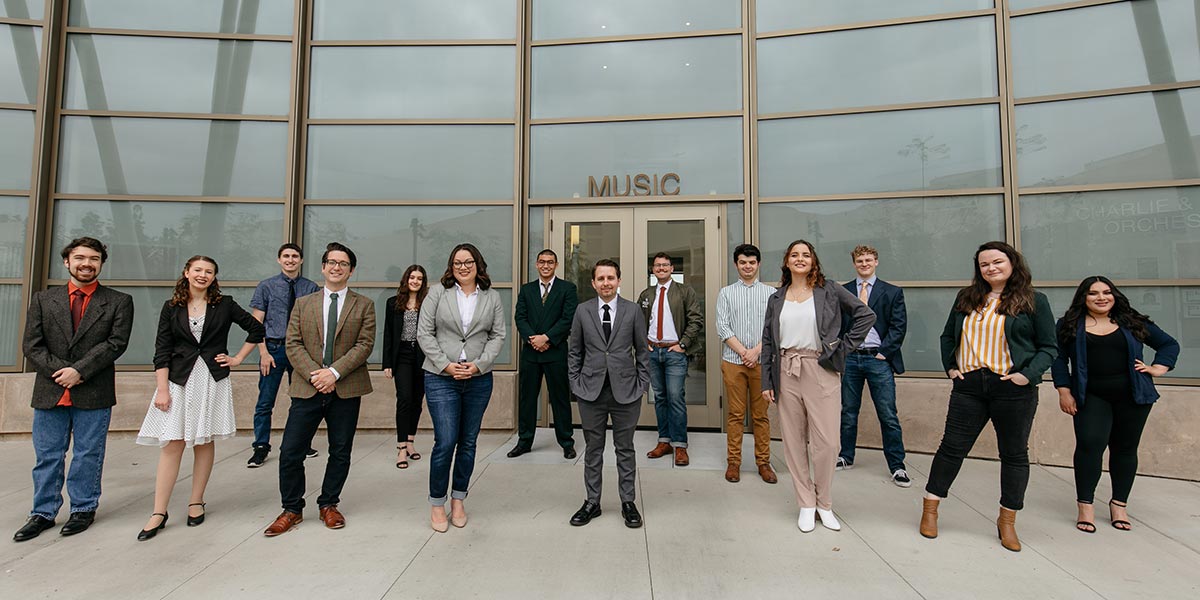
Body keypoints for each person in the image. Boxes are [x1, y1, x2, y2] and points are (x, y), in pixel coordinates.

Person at [920, 241, 1056, 552]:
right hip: (969, 385)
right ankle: (930, 508)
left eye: (997, 262)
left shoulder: (1034, 300)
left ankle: (1007, 520)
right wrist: (951, 368)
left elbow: (1049, 347)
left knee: (1013, 454)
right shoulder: (967, 297)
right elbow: (947, 336)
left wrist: (1026, 375)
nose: (991, 268)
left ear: (1012, 263)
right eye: (984, 264)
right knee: (951, 448)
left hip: (1012, 387)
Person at [136, 255, 265, 541]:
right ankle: (159, 511)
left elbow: (257, 328)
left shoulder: (225, 304)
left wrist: (238, 358)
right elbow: (161, 350)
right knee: (173, 442)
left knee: (204, 440)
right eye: (198, 270)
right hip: (178, 380)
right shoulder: (171, 308)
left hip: (211, 379)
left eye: (209, 272)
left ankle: (196, 501)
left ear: (214, 277)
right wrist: (162, 389)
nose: (202, 275)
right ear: (186, 272)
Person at [15, 237, 134, 542]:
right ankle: (42, 512)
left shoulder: (119, 301)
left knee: (88, 454)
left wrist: (79, 370)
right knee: (48, 456)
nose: (87, 263)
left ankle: (83, 508)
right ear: (67, 262)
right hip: (50, 389)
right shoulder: (44, 300)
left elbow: (115, 344)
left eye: (94, 258)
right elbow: (32, 345)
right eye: (80, 257)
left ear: (101, 264)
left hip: (93, 389)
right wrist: (62, 372)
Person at [761, 240, 874, 533]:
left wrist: (842, 348)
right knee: (793, 441)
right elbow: (769, 341)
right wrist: (767, 381)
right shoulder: (777, 298)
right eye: (794, 255)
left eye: (806, 255)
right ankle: (806, 503)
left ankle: (825, 502)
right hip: (785, 369)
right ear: (786, 261)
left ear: (814, 261)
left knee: (827, 442)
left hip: (820, 368)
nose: (800, 259)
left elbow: (865, 315)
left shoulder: (830, 290)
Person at [1051, 276, 1179, 533]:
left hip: (1133, 395)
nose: (1101, 297)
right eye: (1093, 293)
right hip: (1090, 395)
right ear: (1083, 298)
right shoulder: (1068, 325)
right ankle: (1085, 505)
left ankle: (1119, 504)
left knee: (1125, 449)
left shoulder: (1132, 321)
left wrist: (1158, 368)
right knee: (1089, 444)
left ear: (1114, 295)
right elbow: (1058, 358)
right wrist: (1064, 391)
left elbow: (1168, 344)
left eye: (1107, 292)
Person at [263, 242, 375, 536]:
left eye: (343, 263)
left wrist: (334, 372)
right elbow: (293, 343)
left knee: (340, 451)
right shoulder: (304, 303)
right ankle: (291, 509)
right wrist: (317, 375)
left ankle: (329, 504)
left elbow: (364, 345)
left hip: (346, 387)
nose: (337, 267)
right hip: (307, 386)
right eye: (331, 262)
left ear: (351, 270)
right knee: (290, 451)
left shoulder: (364, 304)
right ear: (323, 267)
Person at [417, 243, 507, 533]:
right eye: (457, 263)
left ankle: (458, 500)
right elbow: (424, 333)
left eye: (468, 262)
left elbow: (498, 335)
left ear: (478, 265)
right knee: (445, 442)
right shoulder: (436, 293)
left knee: (468, 443)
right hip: (441, 378)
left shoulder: (491, 297)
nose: (463, 267)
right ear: (451, 266)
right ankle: (436, 503)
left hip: (478, 379)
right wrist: (445, 364)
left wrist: (480, 364)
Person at [567, 259, 651, 528]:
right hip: (590, 392)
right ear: (593, 283)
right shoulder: (582, 311)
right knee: (593, 449)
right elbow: (575, 351)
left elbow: (642, 350)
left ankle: (628, 502)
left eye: (611, 278)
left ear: (619, 280)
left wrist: (642, 384)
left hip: (626, 391)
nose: (606, 283)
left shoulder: (633, 310)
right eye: (601, 279)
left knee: (625, 448)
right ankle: (592, 502)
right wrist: (576, 383)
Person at [838, 245, 910, 487]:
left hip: (878, 360)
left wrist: (883, 354)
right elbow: (838, 324)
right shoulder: (844, 290)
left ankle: (897, 465)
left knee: (888, 414)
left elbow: (898, 327)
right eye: (860, 260)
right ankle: (845, 456)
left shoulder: (892, 292)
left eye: (868, 260)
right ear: (854, 263)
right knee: (848, 411)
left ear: (876, 262)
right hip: (852, 358)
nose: (864, 264)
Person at [247, 243, 320, 468]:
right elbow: (256, 323)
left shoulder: (311, 287)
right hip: (273, 349)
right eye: (286, 256)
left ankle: (300, 442)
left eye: (295, 256)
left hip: (301, 351)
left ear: (301, 260)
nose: (290, 260)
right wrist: (263, 352)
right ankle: (261, 446)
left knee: (302, 400)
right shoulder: (266, 286)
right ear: (279, 260)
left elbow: (317, 322)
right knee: (265, 401)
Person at [714, 243, 777, 484]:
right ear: (736, 265)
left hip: (762, 362)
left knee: (761, 416)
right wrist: (743, 352)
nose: (747, 266)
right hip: (733, 361)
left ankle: (763, 462)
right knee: (735, 414)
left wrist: (756, 352)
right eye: (743, 262)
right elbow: (722, 326)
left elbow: (774, 328)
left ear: (758, 264)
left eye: (752, 262)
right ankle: (734, 462)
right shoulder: (726, 293)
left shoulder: (771, 294)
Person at [510, 249, 578, 459]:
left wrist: (547, 338)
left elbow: (568, 318)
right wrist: (533, 339)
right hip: (531, 353)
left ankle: (566, 442)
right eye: (542, 262)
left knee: (560, 399)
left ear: (556, 265)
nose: (546, 265)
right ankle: (524, 442)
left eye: (550, 262)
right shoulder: (527, 289)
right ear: (536, 265)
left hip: (555, 351)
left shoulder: (567, 288)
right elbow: (520, 317)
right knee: (528, 399)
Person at [638, 252, 703, 467]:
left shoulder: (685, 292)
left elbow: (696, 320)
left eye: (665, 265)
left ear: (671, 268)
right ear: (653, 269)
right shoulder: (647, 294)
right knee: (660, 397)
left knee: (675, 397)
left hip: (674, 352)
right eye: (657, 265)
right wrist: (643, 343)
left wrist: (682, 344)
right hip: (653, 352)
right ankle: (664, 441)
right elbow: (637, 321)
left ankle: (680, 445)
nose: (661, 268)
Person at [383, 264, 429, 469]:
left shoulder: (427, 303)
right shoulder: (393, 303)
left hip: (422, 357)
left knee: (417, 401)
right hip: (401, 357)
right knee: (404, 399)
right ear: (406, 279)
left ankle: (410, 441)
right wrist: (386, 364)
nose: (415, 281)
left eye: (419, 278)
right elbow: (388, 334)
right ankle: (401, 447)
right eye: (412, 277)